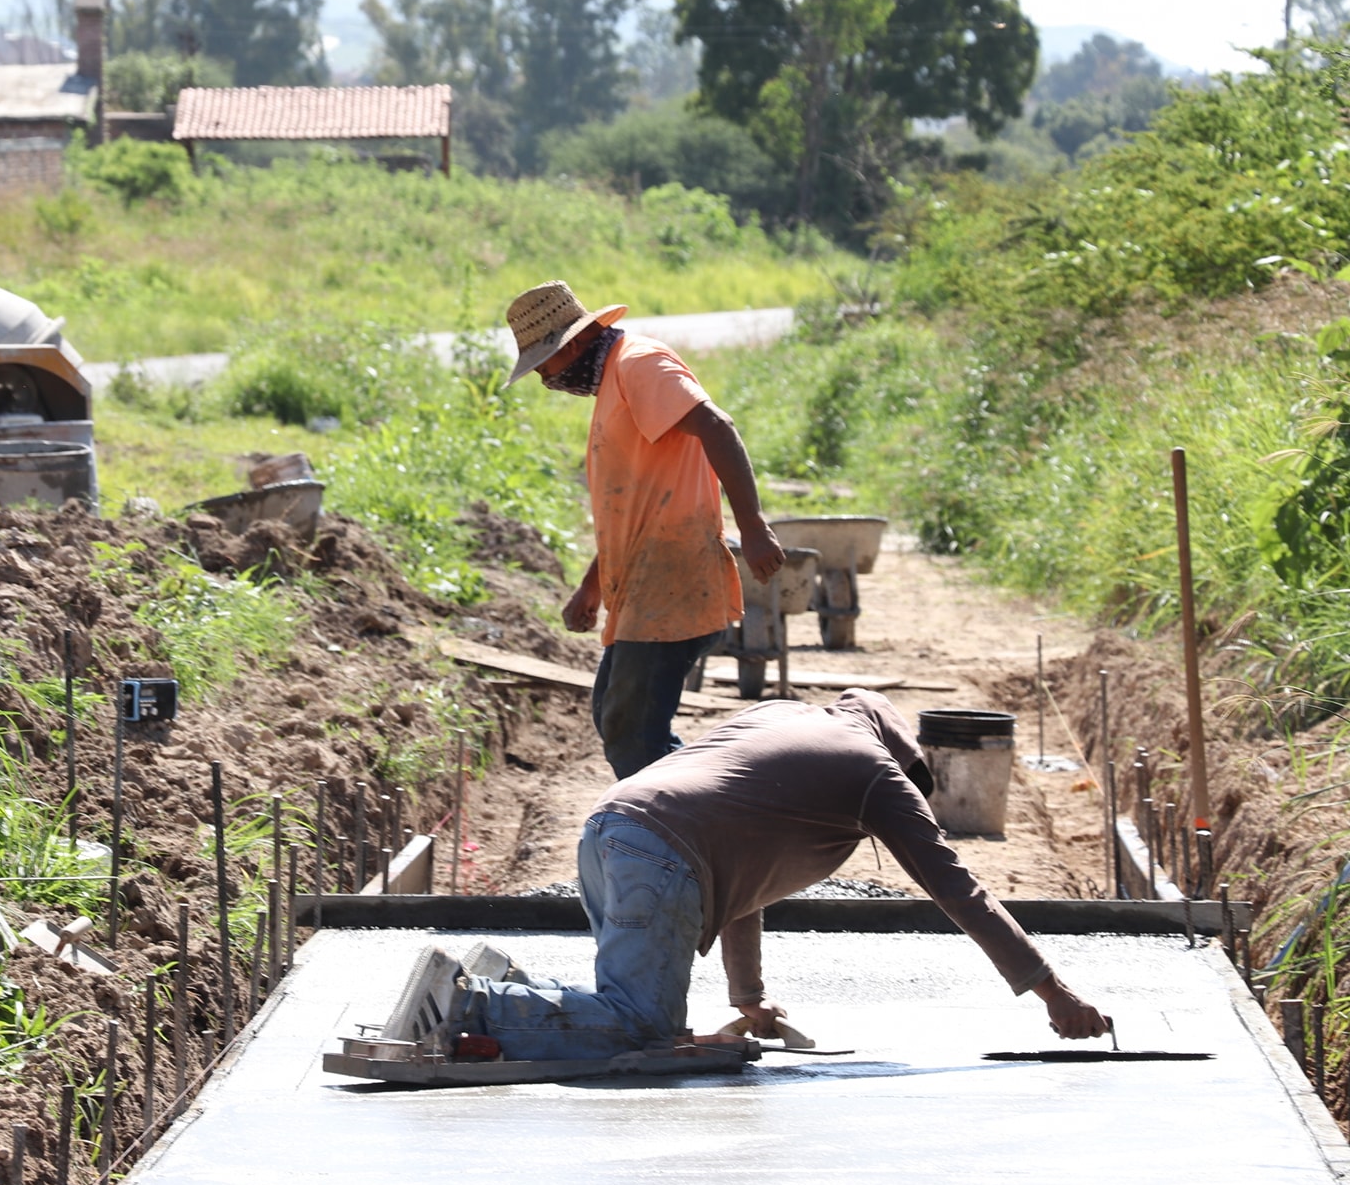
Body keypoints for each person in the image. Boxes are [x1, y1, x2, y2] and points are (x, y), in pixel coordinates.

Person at [380, 690, 1111, 1060]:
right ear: (899, 755)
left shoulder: (781, 717)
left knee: (626, 1007)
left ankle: (495, 975)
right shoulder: (872, 772)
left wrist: (749, 999)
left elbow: (744, 871)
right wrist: (1055, 991)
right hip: (662, 854)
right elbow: (960, 889)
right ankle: (468, 1002)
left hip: (611, 829)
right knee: (643, 1030)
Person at [504, 280, 786, 779]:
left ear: (569, 346)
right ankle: (693, 815)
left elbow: (718, 428)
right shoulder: (615, 379)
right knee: (615, 717)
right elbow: (635, 504)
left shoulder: (639, 364)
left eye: (543, 366)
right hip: (644, 582)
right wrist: (591, 587)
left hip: (672, 577)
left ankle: (690, 832)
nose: (545, 379)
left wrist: (753, 524)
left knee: (631, 729)